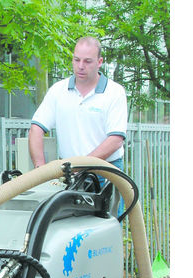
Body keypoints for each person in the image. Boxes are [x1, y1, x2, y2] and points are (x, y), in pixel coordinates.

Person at [29, 36, 127, 179]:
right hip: (68, 171)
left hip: (105, 171)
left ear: (99, 62)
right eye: (77, 60)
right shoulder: (58, 90)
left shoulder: (114, 92)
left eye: (87, 61)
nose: (81, 66)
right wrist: (40, 170)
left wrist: (80, 167)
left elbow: (116, 140)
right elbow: (36, 129)